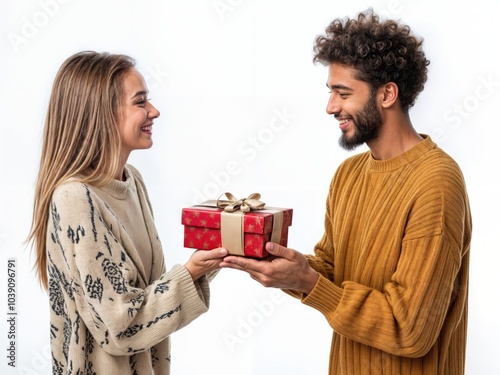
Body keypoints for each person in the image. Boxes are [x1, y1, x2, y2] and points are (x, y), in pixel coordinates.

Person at [220, 9, 472, 375]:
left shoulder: (436, 182)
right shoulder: (349, 174)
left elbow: (411, 330)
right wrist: (284, 266)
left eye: (343, 93)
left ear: (387, 94)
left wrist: (309, 282)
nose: (330, 107)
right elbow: (334, 272)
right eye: (330, 92)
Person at [27, 51, 227, 374]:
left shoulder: (132, 181)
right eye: (141, 102)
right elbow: (121, 328)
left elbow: (148, 295)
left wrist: (210, 261)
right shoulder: (75, 198)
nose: (154, 111)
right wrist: (188, 273)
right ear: (102, 114)